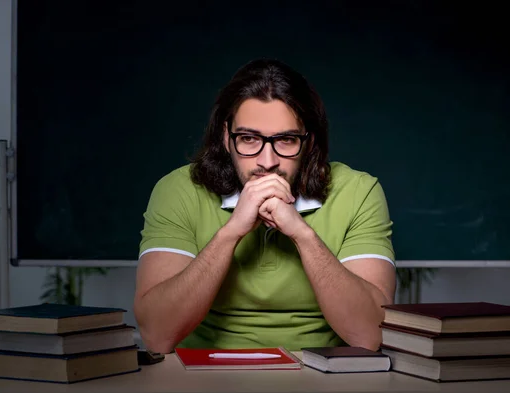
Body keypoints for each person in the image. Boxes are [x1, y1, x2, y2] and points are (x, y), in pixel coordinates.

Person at [134, 58, 396, 354]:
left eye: (285, 140)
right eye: (248, 139)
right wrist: (231, 232)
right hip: (201, 375)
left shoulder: (359, 191)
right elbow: (156, 335)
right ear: (226, 137)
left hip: (322, 374)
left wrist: (302, 234)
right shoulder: (178, 190)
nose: (267, 162)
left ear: (308, 142)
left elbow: (370, 334)